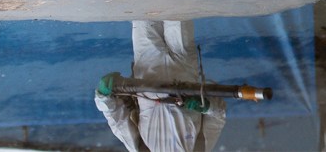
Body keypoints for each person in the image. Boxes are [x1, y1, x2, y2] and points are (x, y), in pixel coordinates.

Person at [95, 21, 227, 151]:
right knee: (178, 9)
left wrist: (102, 98)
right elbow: (218, 115)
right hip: (184, 69)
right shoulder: (200, 149)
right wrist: (206, 106)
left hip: (147, 67)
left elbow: (119, 123)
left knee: (144, 14)